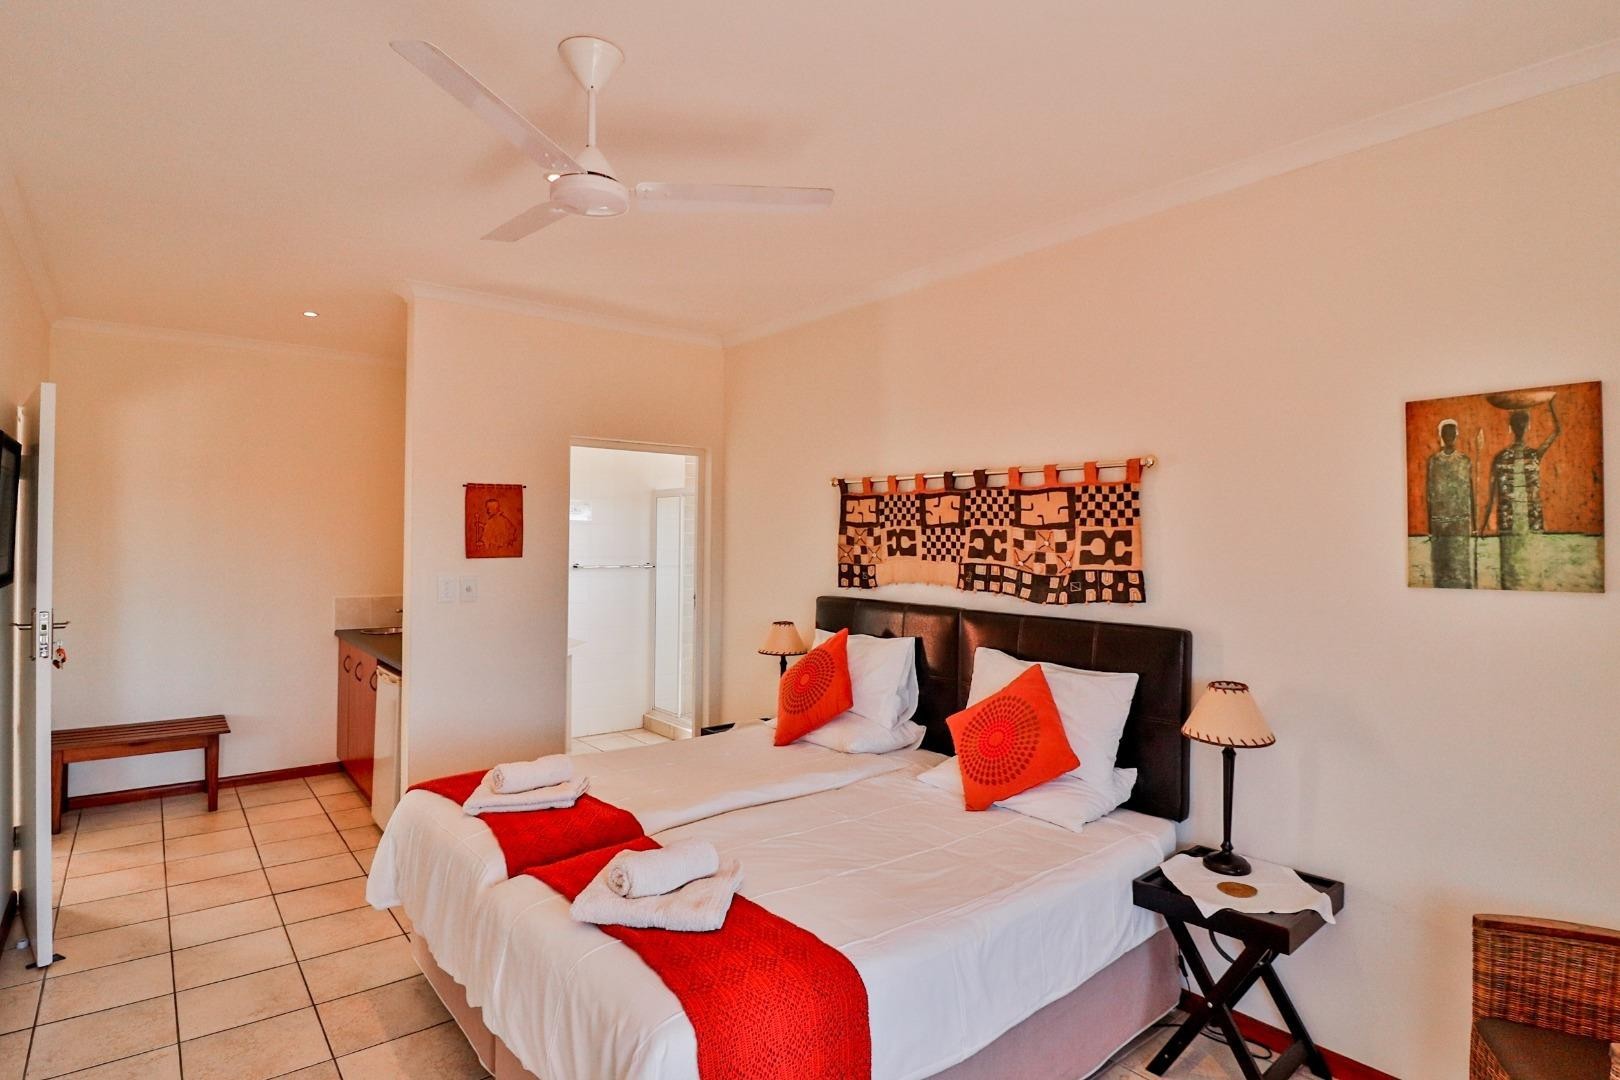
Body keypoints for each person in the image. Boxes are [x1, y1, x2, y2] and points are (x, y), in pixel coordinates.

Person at [1481, 401, 1560, 589]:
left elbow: (1492, 495)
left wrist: (1484, 523)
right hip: (1518, 521)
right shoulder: (1530, 455)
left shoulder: (1507, 457)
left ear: (1512, 427)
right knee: (1522, 574)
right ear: (1527, 427)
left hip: (1520, 520)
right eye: (1523, 424)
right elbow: (1556, 431)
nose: (1521, 427)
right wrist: (1551, 406)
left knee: (1518, 575)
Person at [1424, 419, 1475, 588]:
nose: (1449, 437)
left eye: (1452, 433)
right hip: (1439, 520)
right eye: (1446, 433)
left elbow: (1470, 491)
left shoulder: (1464, 460)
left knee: (1460, 561)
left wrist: (1474, 523)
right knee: (1441, 561)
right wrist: (1430, 524)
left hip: (1461, 519)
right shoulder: (1434, 461)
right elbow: (1430, 493)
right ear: (1441, 435)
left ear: (1456, 435)